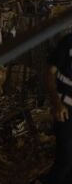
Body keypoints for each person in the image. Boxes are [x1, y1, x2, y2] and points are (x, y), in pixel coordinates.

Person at [41, 33, 72, 184]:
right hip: (66, 111)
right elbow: (49, 74)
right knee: (65, 160)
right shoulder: (68, 42)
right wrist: (57, 104)